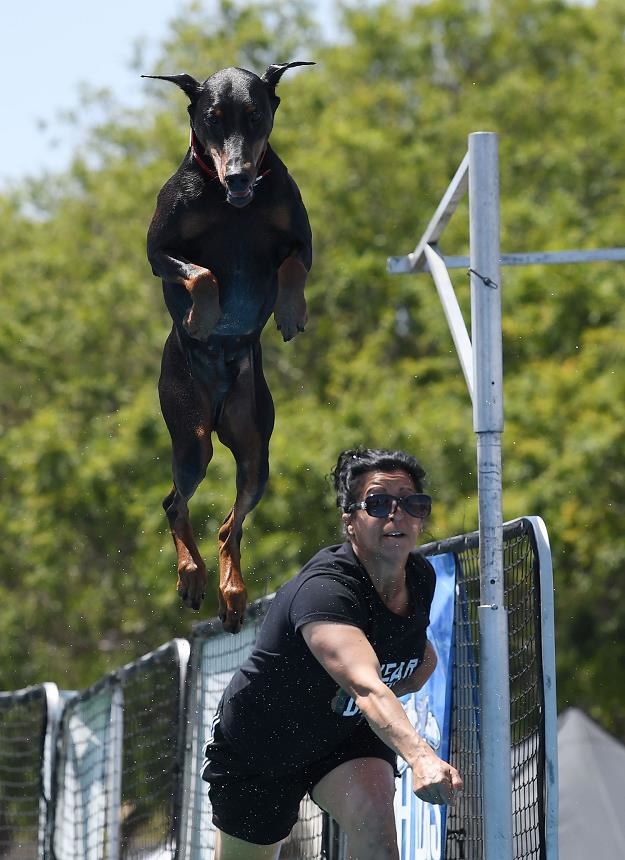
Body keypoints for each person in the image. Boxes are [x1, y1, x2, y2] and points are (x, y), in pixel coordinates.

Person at [202, 447, 463, 860]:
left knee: (376, 827)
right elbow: (364, 685)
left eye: (413, 503)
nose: (397, 515)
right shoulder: (325, 590)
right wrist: (421, 758)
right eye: (378, 503)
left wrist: (409, 675)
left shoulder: (420, 577)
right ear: (350, 521)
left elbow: (419, 655)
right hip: (262, 744)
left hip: (342, 737)